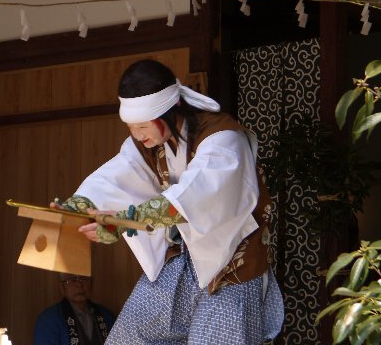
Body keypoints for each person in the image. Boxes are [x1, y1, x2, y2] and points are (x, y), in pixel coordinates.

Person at [56, 59, 284, 344]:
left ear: (169, 110)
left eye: (142, 126)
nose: (138, 135)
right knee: (130, 336)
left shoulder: (223, 140)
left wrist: (124, 221)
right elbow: (115, 177)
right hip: (183, 264)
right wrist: (77, 207)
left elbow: (190, 200)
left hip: (232, 268)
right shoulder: (152, 142)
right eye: (131, 127)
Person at [33, 273, 115, 345]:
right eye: (72, 279)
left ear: (92, 283)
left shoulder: (107, 316)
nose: (79, 284)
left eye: (83, 278)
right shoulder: (48, 320)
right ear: (62, 287)